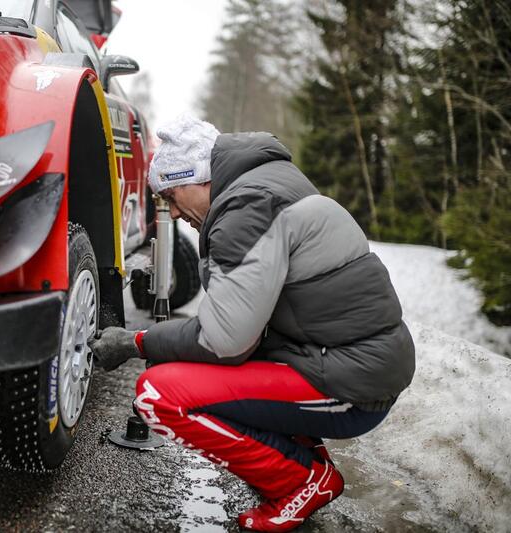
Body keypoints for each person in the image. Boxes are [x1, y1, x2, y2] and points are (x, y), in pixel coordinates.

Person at [89, 114, 415, 532]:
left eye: (171, 195)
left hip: (353, 383)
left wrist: (137, 341)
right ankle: (303, 458)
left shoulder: (246, 209)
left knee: (159, 394)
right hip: (349, 360)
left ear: (197, 177)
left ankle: (299, 480)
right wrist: (168, 346)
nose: (175, 212)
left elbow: (225, 340)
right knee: (185, 365)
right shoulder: (268, 184)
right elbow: (244, 324)